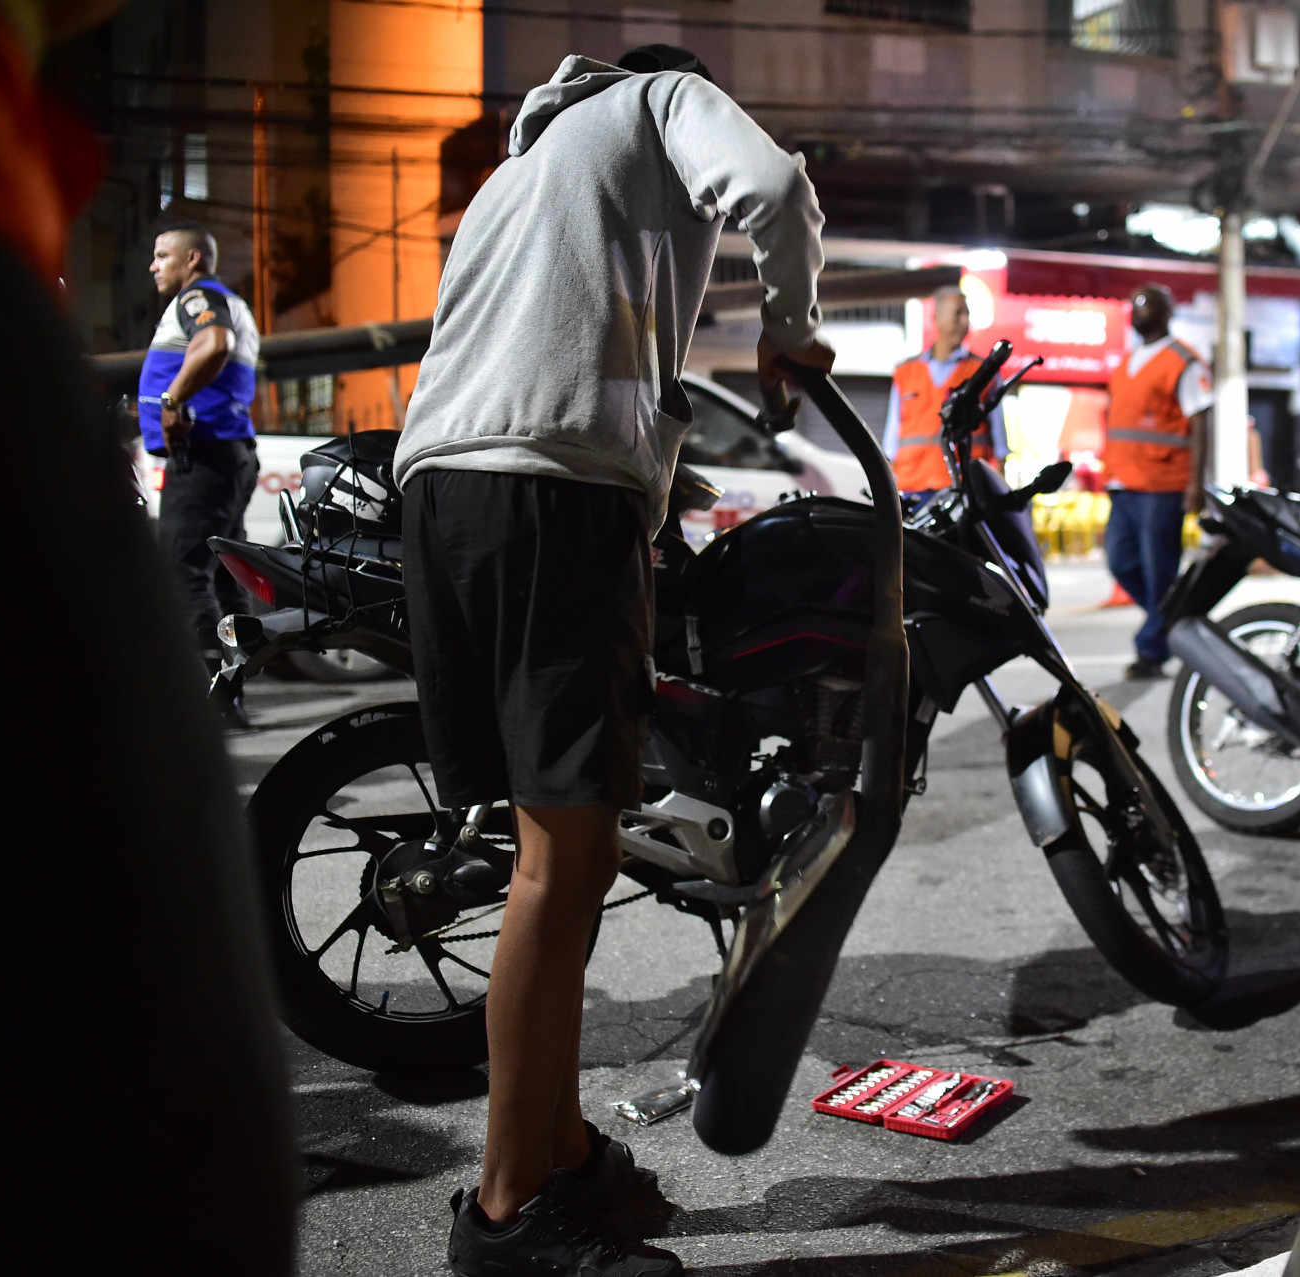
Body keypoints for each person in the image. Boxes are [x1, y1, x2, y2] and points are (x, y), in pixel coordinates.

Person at [392, 45, 831, 1277]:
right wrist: (789, 336)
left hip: (446, 497)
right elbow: (775, 187)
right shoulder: (655, 100)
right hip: (549, 500)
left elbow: (542, 341)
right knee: (564, 857)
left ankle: (563, 1141)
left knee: (544, 843)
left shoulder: (518, 167)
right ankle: (508, 1209)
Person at [0, 2, 296, 1272]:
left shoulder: (210, 302)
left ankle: (218, 674)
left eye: (162, 260)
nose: (153, 274)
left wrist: (162, 413)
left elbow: (201, 351)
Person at [138, 222, 262, 666]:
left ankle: (209, 690)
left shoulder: (198, 298)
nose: (153, 266)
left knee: (180, 570)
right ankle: (232, 693)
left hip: (202, 453)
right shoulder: (232, 303)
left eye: (162, 256)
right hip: (227, 452)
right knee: (227, 577)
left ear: (192, 259)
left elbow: (214, 343)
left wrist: (172, 399)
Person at [1101, 284, 1215, 680]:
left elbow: (1201, 423)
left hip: (1164, 484)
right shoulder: (1127, 362)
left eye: (1147, 303)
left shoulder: (1184, 362)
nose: (1138, 309)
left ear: (1167, 312)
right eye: (1134, 303)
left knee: (1159, 569)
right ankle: (1170, 618)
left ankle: (1151, 650)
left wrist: (1196, 484)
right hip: (1124, 483)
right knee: (1119, 561)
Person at [883, 284, 1005, 498]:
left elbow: (1000, 440)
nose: (965, 322)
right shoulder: (905, 371)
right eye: (958, 313)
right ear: (937, 317)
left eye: (967, 314)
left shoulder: (984, 371)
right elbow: (891, 440)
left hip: (964, 489)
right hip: (913, 488)